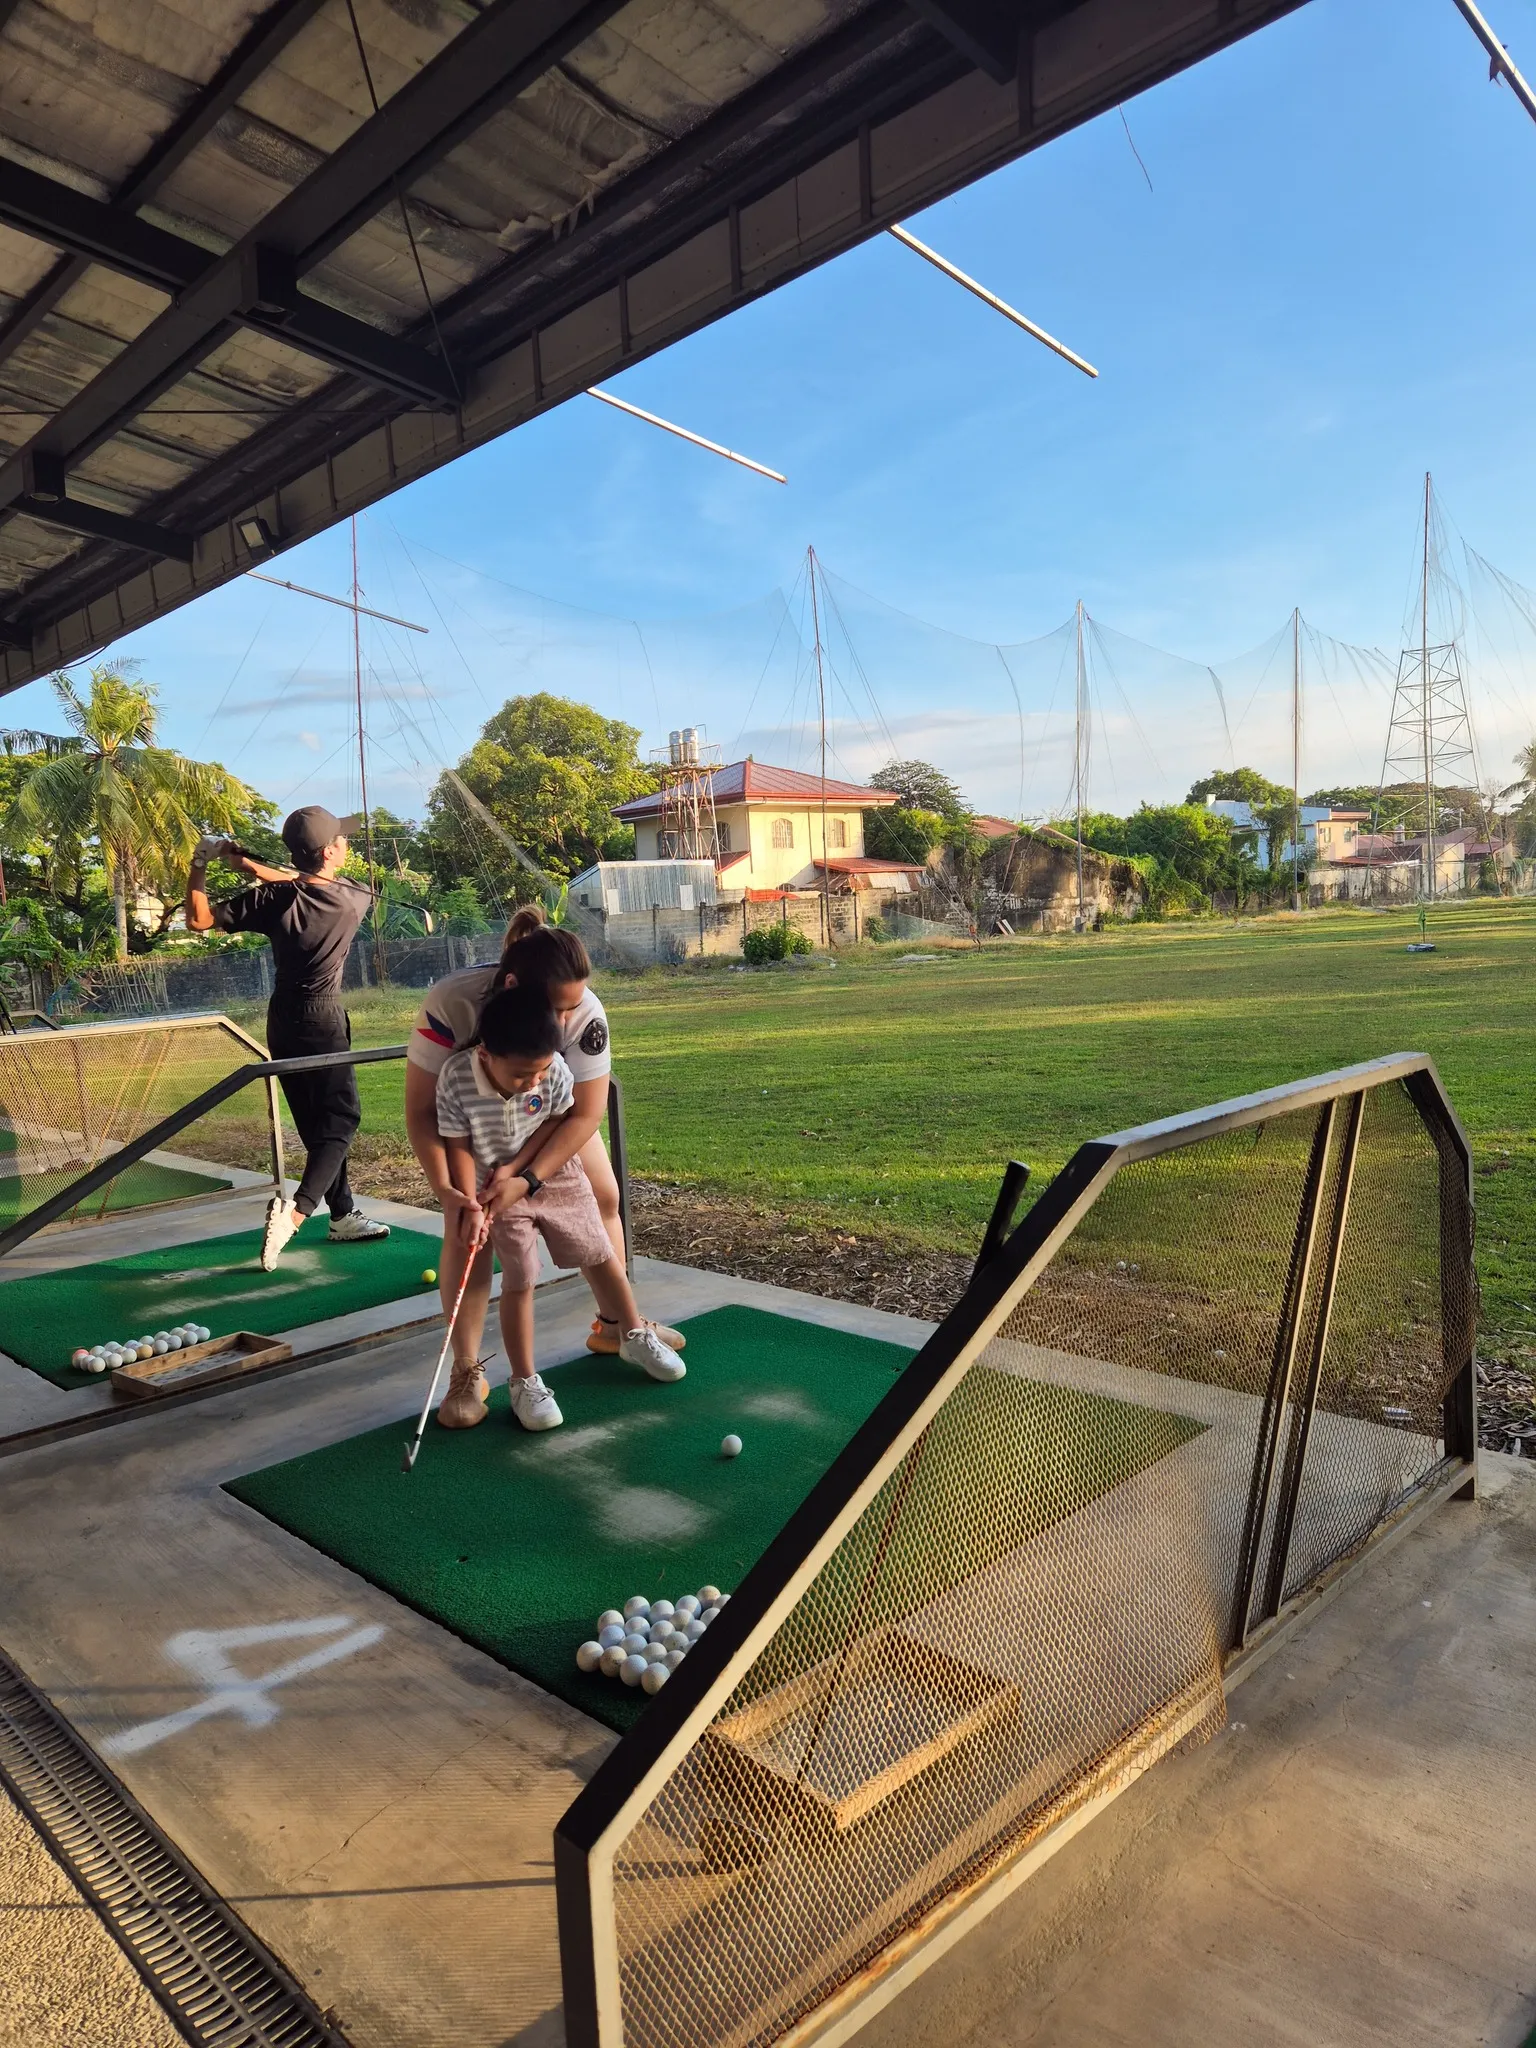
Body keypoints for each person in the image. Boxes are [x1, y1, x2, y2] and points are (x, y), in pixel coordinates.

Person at [403, 907, 682, 1385]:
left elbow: (584, 1113)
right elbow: (424, 1113)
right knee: (468, 1227)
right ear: (511, 987)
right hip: (472, 1126)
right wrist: (451, 1192)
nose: (566, 1019)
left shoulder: (583, 1011)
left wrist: (527, 1177)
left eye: (573, 1007)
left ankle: (615, 1327)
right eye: (556, 1009)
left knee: (604, 1196)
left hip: (546, 1119)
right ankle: (466, 1368)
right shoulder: (452, 1002)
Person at [435, 984, 685, 1432]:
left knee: (599, 1250)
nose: (533, 1082)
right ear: (487, 1054)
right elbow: (457, 1146)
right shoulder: (455, 1077)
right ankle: (523, 1381)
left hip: (553, 1171)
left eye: (542, 1071)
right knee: (521, 1278)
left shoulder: (551, 1071)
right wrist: (470, 1202)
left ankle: (631, 1333)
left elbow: (555, 1120)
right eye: (520, 1076)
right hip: (493, 1189)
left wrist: (520, 1171)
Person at [185, 806, 391, 1269]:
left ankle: (343, 1215)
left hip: (282, 1019)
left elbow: (197, 921)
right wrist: (251, 866)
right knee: (340, 1123)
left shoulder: (272, 900)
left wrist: (203, 863)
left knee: (316, 1126)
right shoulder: (355, 896)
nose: (348, 843)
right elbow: (306, 881)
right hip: (323, 1019)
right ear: (331, 851)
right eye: (342, 838)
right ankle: (296, 1215)